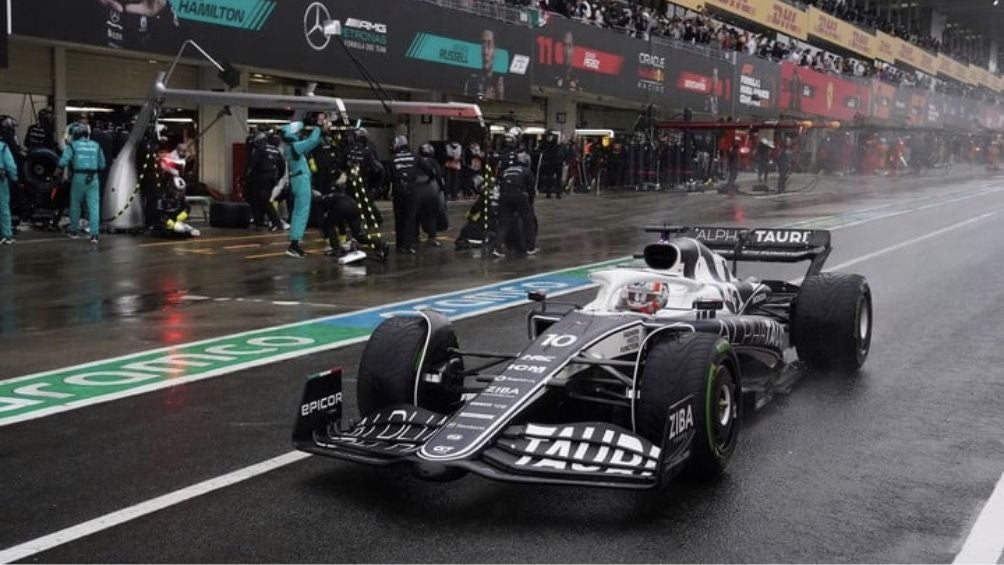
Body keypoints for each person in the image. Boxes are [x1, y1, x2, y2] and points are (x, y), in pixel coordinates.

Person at [280, 118, 325, 258]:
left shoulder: (291, 146)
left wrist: (321, 133)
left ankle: (294, 244)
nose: (299, 135)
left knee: (299, 212)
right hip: (300, 181)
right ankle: (294, 245)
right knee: (301, 213)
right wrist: (318, 128)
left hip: (299, 180)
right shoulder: (293, 147)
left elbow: (311, 143)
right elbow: (310, 142)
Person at [56, 123, 107, 244]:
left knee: (75, 205)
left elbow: (63, 161)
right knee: (94, 206)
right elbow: (102, 164)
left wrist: (56, 172)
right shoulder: (96, 145)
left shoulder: (73, 145)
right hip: (93, 178)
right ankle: (94, 235)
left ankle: (74, 232)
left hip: (79, 177)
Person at [492, 151, 537, 258]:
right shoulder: (526, 171)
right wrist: (530, 203)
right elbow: (531, 190)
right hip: (518, 194)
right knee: (528, 220)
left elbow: (500, 185)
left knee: (503, 223)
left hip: (504, 196)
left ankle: (497, 248)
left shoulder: (506, 170)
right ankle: (530, 247)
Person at [244, 130, 285, 231]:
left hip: (260, 177)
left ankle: (276, 223)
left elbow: (252, 163)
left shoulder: (260, 148)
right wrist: (277, 179)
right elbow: (282, 167)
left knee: (263, 200)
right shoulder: (276, 150)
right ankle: (260, 221)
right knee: (263, 200)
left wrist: (246, 176)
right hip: (272, 178)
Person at [390, 135, 419, 254]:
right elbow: (428, 169)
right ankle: (407, 245)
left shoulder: (393, 158)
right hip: (411, 188)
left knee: (399, 217)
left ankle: (399, 244)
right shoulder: (414, 156)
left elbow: (388, 175)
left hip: (398, 188)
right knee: (410, 217)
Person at [415, 143, 445, 248]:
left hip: (415, 191)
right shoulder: (433, 162)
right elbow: (438, 176)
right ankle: (431, 238)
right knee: (432, 215)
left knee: (415, 215)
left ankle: (415, 237)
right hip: (430, 191)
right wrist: (441, 189)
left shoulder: (415, 161)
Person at [0, 133, 19, 245]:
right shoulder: (3, 147)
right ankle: (6, 236)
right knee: (3, 207)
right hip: (1, 180)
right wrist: (14, 178)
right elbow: (11, 166)